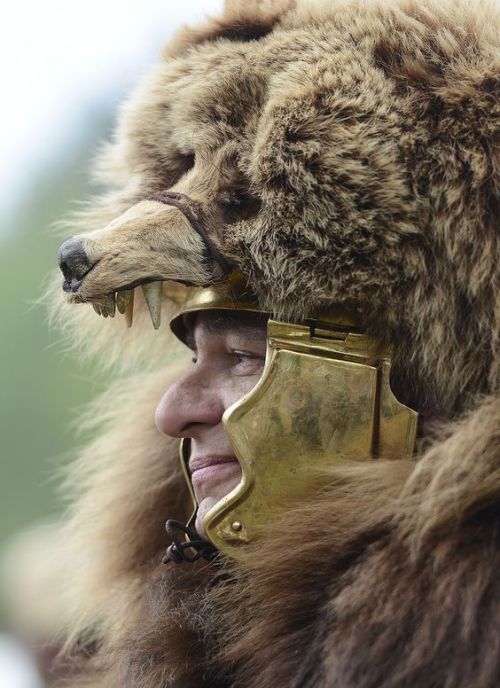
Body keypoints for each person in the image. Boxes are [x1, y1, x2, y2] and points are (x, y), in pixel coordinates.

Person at [53, 0, 500, 686]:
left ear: (427, 384)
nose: (172, 412)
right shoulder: (187, 626)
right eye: (194, 356)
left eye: (245, 357)